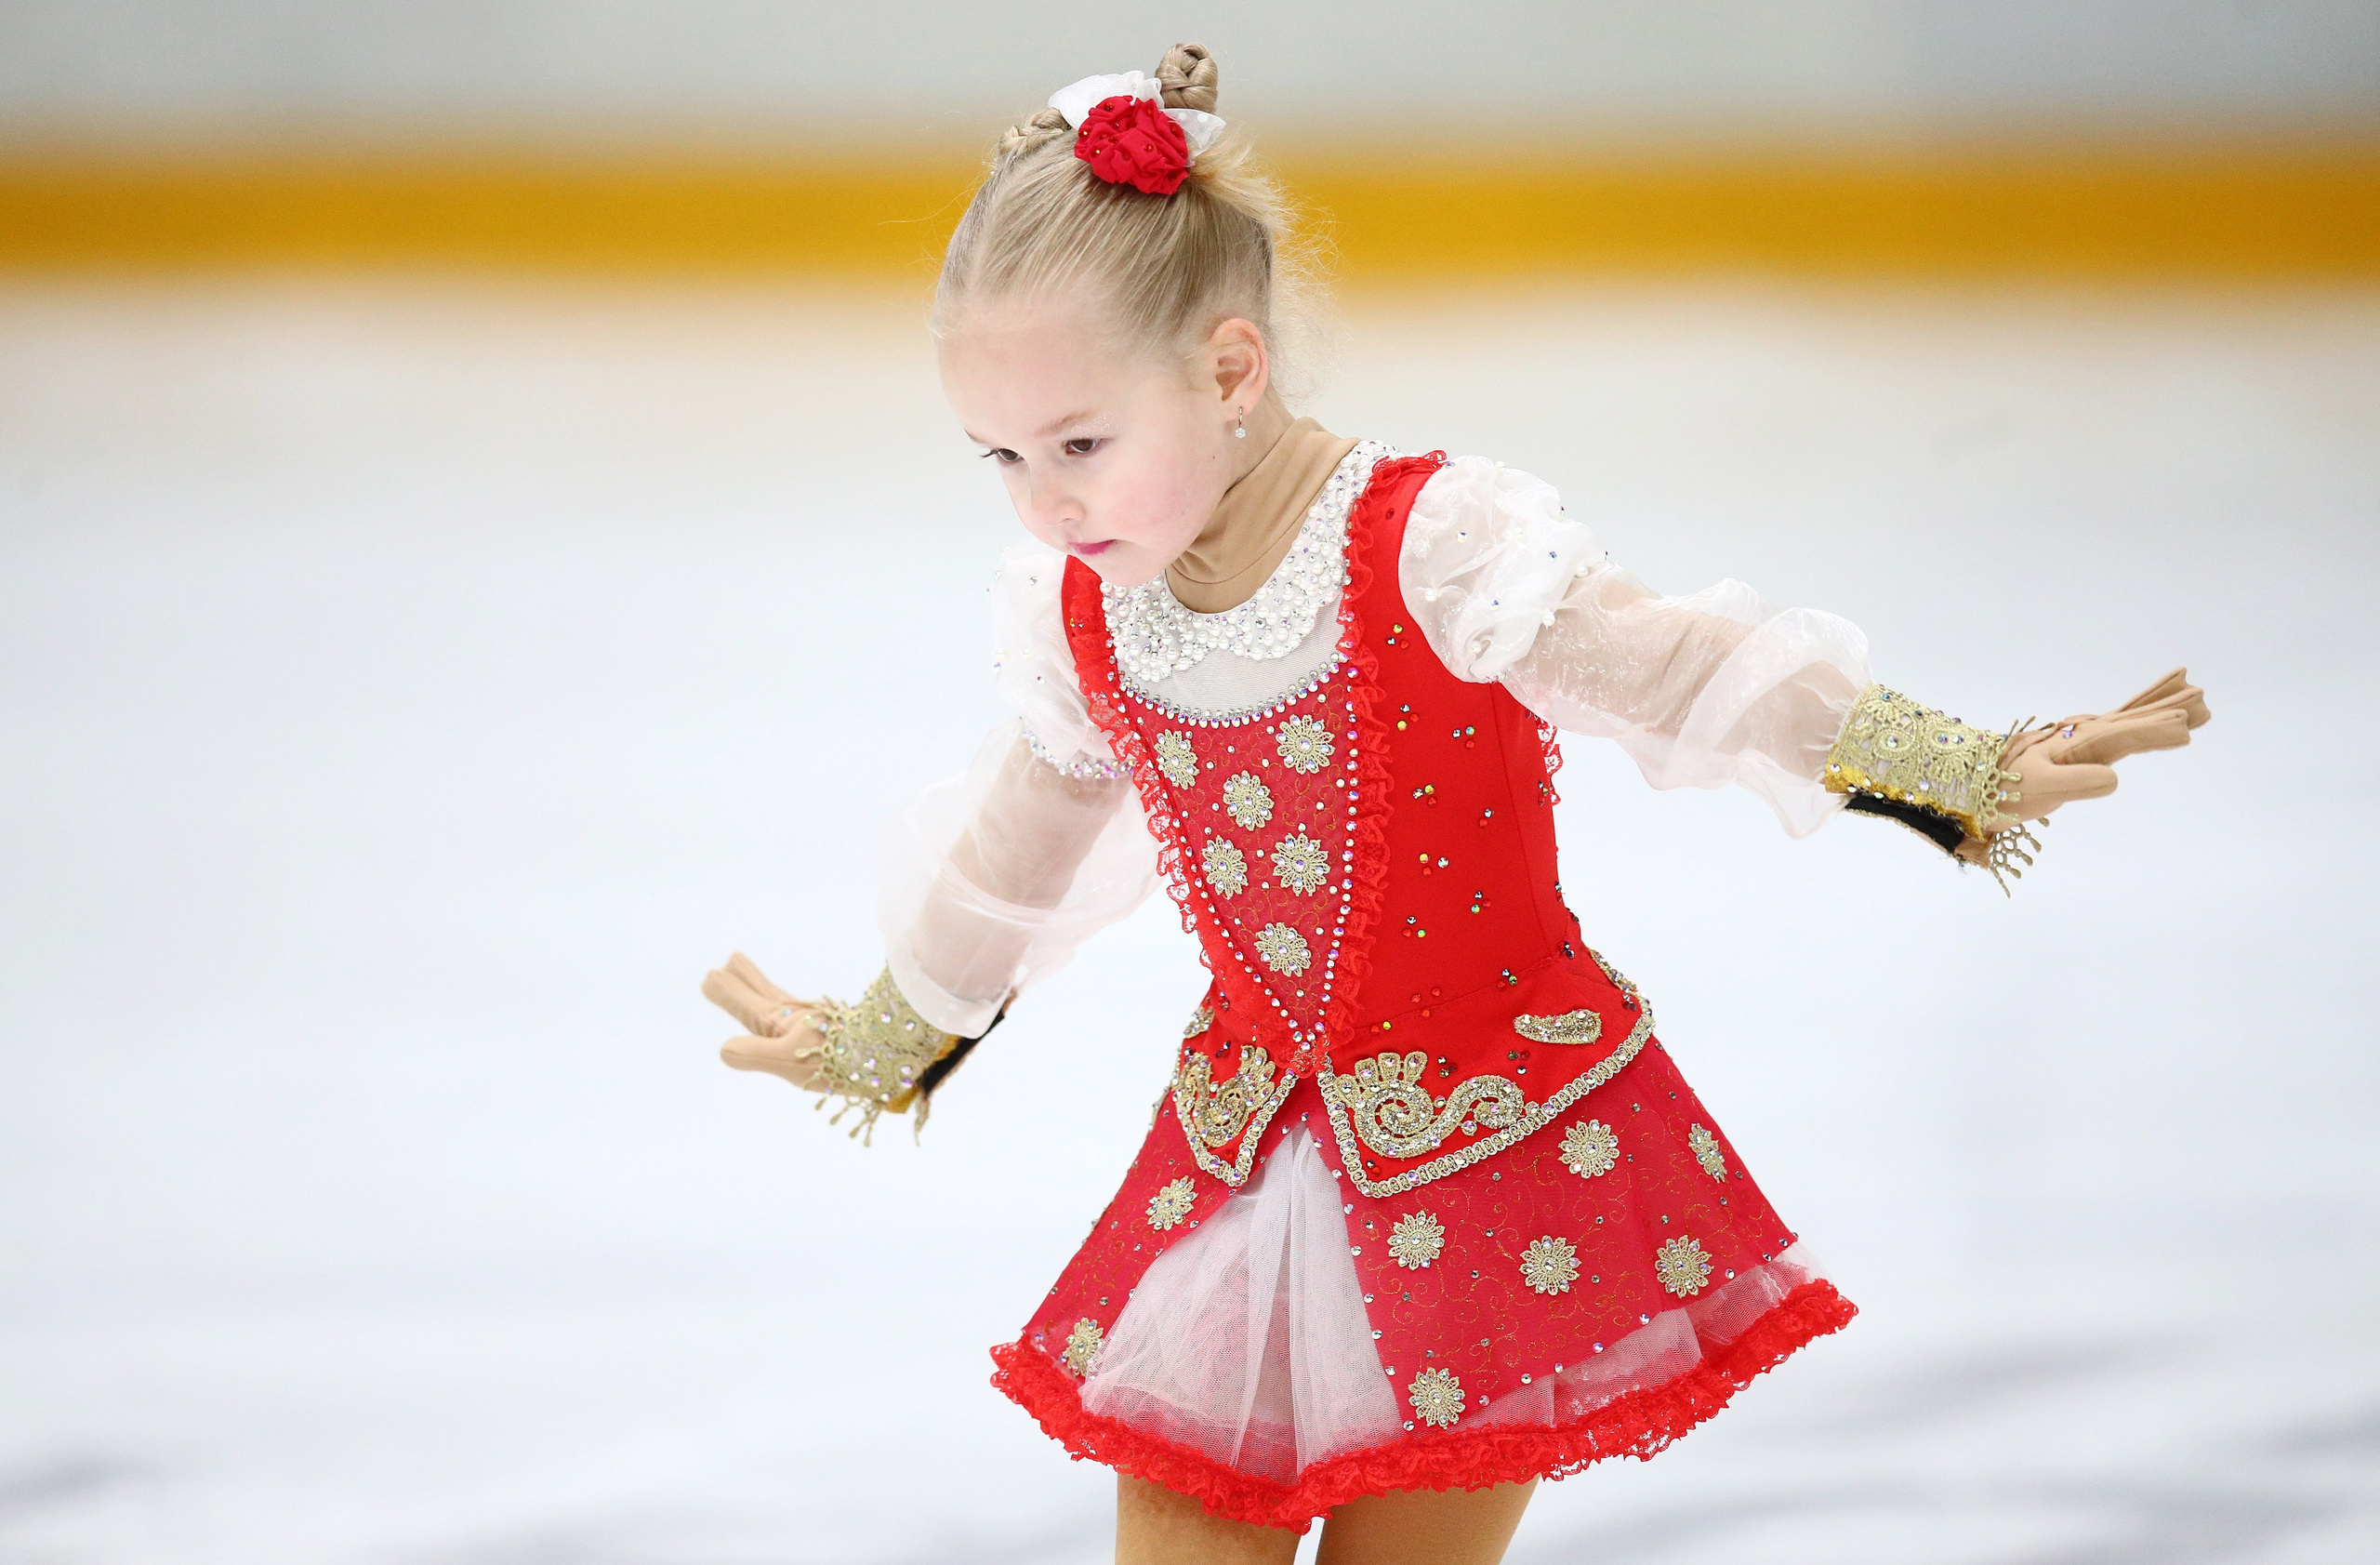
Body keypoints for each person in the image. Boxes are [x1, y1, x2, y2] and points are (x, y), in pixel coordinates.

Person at [700, 43, 2209, 1565]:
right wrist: (887, 1034)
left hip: (1497, 1159)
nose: (1047, 505)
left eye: (1080, 447)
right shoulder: (1085, 622)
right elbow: (1015, 854)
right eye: (1004, 460)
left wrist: (1960, 766)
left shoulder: (1434, 547)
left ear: (1232, 371)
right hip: (1240, 1160)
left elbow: (1684, 670)